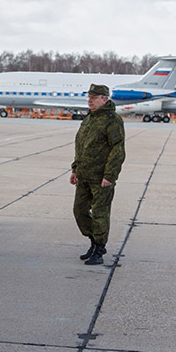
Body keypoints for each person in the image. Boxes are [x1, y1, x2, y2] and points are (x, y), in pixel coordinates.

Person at [70, 84, 126, 266]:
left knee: (100, 214)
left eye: (93, 98)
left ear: (104, 99)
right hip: (84, 175)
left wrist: (110, 175)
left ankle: (99, 249)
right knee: (79, 211)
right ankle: (93, 242)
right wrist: (75, 169)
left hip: (101, 178)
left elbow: (118, 150)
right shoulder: (89, 119)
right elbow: (81, 146)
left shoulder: (112, 120)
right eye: (89, 97)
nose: (89, 101)